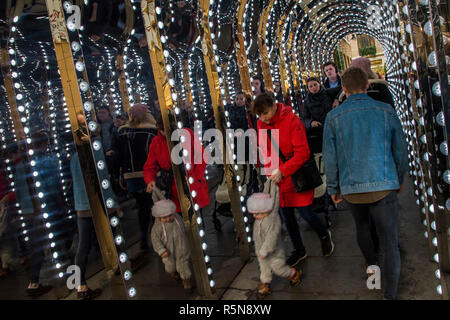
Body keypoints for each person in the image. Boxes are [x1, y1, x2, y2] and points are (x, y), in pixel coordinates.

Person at [323, 67, 408, 300]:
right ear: (367, 85)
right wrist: (399, 178)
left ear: (343, 88)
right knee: (390, 241)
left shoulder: (333, 117)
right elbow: (400, 151)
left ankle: (373, 275)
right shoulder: (386, 110)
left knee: (362, 230)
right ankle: (389, 295)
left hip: (352, 189)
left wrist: (333, 188)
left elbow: (330, 159)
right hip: (384, 186)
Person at [253, 93, 334, 268]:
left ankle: (323, 234)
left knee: (307, 214)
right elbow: (265, 150)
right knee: (287, 218)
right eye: (259, 115)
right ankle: (299, 250)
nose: (263, 118)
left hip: (298, 175)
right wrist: (269, 173)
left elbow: (303, 153)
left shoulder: (292, 120)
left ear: (274, 106)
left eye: (265, 113)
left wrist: (282, 170)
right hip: (279, 180)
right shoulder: (261, 124)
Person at [113, 104, 158, 252]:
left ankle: (144, 238)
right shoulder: (152, 131)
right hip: (150, 174)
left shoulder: (122, 132)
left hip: (131, 176)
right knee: (153, 205)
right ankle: (156, 236)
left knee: (142, 207)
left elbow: (118, 156)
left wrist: (119, 175)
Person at [143, 115, 210, 213]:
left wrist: (197, 177)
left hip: (193, 185)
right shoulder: (156, 142)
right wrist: (150, 180)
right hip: (173, 192)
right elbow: (150, 166)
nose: (166, 133)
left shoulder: (188, 134)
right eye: (163, 130)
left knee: (198, 220)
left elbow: (202, 156)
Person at [247, 180, 302, 299]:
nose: (254, 216)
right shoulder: (259, 221)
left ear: (266, 211)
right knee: (264, 269)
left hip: (274, 253)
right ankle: (265, 284)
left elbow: (271, 238)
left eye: (257, 214)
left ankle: (293, 273)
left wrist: (265, 250)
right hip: (261, 251)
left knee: (279, 269)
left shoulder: (273, 220)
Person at [151, 188, 192, 293]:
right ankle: (174, 273)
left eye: (170, 215)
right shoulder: (157, 227)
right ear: (158, 217)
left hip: (181, 246)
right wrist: (161, 250)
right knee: (170, 266)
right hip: (167, 250)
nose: (168, 219)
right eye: (164, 217)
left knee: (183, 263)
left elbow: (185, 226)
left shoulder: (177, 219)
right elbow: (155, 240)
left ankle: (186, 280)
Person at [302, 77, 340, 154]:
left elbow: (343, 88)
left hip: (334, 125)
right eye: (310, 86)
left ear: (319, 84)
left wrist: (337, 99)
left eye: (315, 85)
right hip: (320, 129)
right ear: (308, 88)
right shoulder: (307, 101)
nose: (313, 88)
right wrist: (311, 123)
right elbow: (305, 118)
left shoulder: (328, 93)